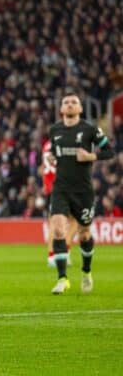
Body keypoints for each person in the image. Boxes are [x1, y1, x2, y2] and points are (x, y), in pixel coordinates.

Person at [48, 90, 114, 294]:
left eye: (73, 102)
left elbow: (109, 151)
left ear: (80, 108)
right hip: (61, 189)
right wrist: (52, 158)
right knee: (58, 229)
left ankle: (86, 271)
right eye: (66, 102)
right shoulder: (55, 130)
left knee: (84, 234)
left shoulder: (89, 129)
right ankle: (62, 279)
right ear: (61, 108)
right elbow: (55, 152)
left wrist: (90, 156)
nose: (69, 104)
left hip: (83, 191)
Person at [40, 139, 76, 267]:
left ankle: (57, 254)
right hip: (61, 186)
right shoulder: (61, 144)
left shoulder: (46, 145)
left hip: (51, 187)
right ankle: (55, 255)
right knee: (69, 221)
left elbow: (43, 167)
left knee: (58, 221)